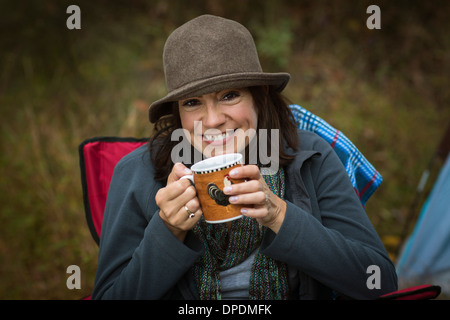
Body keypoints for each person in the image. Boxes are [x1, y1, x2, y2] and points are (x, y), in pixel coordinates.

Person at [92, 14, 397, 300]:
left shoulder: (309, 156)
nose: (212, 120)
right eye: (193, 102)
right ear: (177, 113)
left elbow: (378, 281)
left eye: (229, 95)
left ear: (258, 97)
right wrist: (168, 229)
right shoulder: (137, 173)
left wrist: (279, 215)